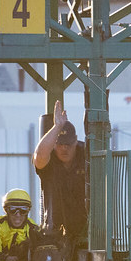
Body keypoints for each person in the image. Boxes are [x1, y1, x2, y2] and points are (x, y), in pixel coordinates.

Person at [33, 100, 88, 242]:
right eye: (60, 144)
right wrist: (57, 126)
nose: (64, 148)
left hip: (86, 231)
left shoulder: (86, 155)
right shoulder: (49, 160)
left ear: (76, 141)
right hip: (54, 233)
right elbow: (39, 157)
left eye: (68, 144)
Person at [0, 189, 36, 261]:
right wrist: (6, 258)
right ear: (6, 210)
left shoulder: (33, 228)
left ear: (28, 211)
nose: (17, 215)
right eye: (13, 209)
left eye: (23, 210)